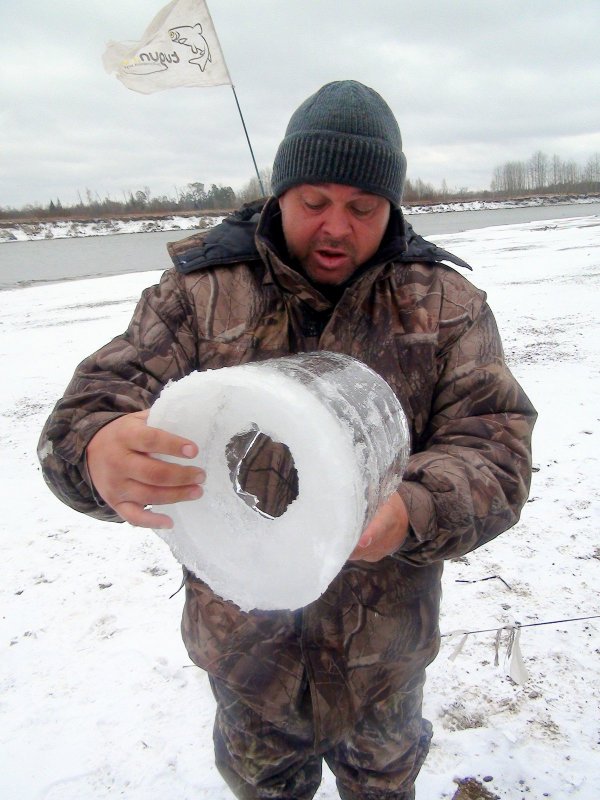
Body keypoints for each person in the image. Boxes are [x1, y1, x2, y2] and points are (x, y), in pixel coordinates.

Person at [38, 80, 536, 799]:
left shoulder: (445, 305)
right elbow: (87, 410)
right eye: (313, 202)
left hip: (382, 661)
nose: (335, 227)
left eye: (362, 208)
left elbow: (496, 450)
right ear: (278, 194)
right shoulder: (199, 293)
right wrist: (97, 448)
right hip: (246, 659)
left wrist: (412, 510)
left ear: (393, 206)